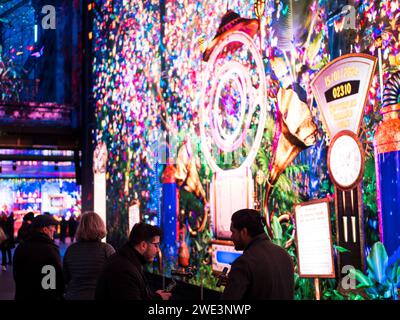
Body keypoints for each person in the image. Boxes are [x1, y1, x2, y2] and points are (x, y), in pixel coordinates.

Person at [221, 209, 294, 300]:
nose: (231, 237)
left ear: (244, 232)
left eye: (233, 232)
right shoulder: (284, 255)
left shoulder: (243, 263)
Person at [95, 222, 171, 300]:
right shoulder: (123, 269)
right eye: (156, 245)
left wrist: (155, 296)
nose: (158, 250)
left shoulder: (128, 259)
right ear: (143, 245)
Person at [63, 212, 115, 300]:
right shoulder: (107, 249)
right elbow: (115, 276)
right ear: (101, 226)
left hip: (73, 296)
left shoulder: (71, 250)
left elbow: (65, 278)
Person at [13, 214, 64, 300]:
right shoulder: (50, 250)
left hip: (23, 296)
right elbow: (55, 279)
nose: (54, 230)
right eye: (52, 227)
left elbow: (16, 274)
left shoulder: (21, 247)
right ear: (45, 229)